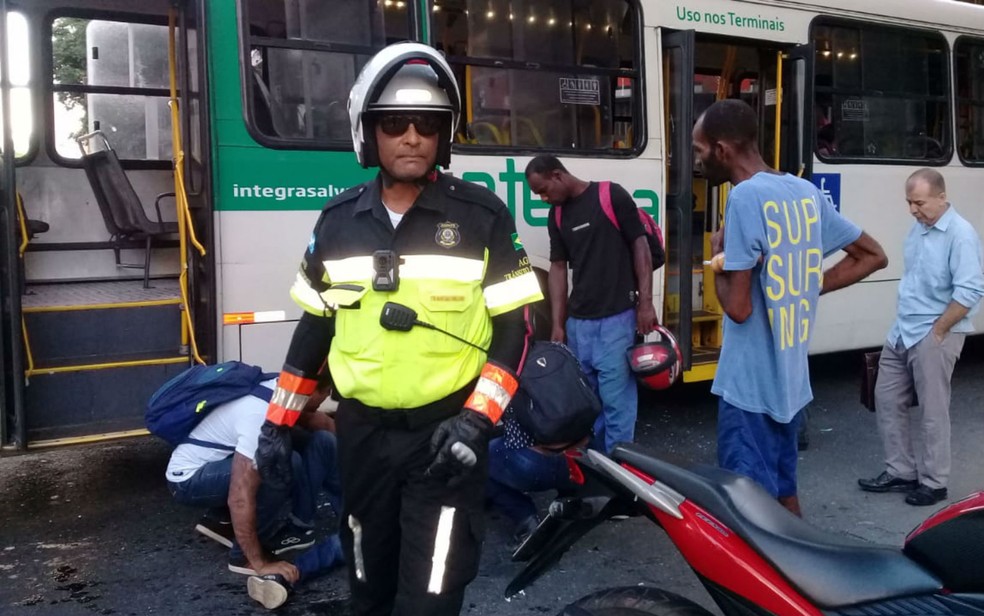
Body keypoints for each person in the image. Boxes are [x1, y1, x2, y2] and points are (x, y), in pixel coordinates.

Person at [253, 42, 543, 616]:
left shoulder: (481, 217)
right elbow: (315, 330)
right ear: (369, 133)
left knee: (430, 598)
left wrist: (476, 423)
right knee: (367, 585)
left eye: (427, 125)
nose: (411, 136)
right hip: (360, 437)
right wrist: (277, 425)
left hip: (444, 439)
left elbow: (517, 331)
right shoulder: (336, 224)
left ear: (444, 136)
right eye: (394, 124)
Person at [696, 99, 887, 516]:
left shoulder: (745, 197)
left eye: (699, 151)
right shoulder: (803, 192)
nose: (697, 160)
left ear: (723, 150)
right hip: (791, 384)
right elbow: (873, 255)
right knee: (784, 495)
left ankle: (761, 582)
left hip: (749, 389)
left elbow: (739, 308)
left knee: (749, 511)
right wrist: (805, 286)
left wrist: (715, 261)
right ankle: (803, 577)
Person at [858, 168, 984, 507]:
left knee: (933, 411)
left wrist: (940, 330)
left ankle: (934, 482)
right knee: (886, 399)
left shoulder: (960, 234)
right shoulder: (918, 229)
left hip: (934, 333)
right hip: (902, 331)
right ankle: (900, 471)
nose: (914, 210)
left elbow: (971, 290)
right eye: (909, 203)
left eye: (920, 203)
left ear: (942, 198)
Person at [525, 156, 658, 454]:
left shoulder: (611, 195)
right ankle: (596, 468)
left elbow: (641, 248)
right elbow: (558, 268)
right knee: (585, 403)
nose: (544, 198)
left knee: (617, 405)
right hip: (578, 325)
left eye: (544, 190)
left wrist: (645, 304)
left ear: (558, 175)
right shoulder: (557, 216)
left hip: (617, 321)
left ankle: (621, 474)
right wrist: (558, 324)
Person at [166, 369, 340, 576]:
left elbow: (321, 424)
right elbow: (240, 496)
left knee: (322, 441)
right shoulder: (259, 415)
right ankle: (243, 557)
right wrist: (259, 562)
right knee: (280, 463)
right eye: (326, 392)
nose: (327, 397)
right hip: (187, 479)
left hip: (218, 461)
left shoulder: (285, 391)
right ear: (310, 392)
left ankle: (228, 522)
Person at [485, 407, 582, 547]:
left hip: (533, 464)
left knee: (482, 457)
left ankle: (525, 519)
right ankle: (572, 498)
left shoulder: (515, 385)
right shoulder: (578, 384)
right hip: (577, 461)